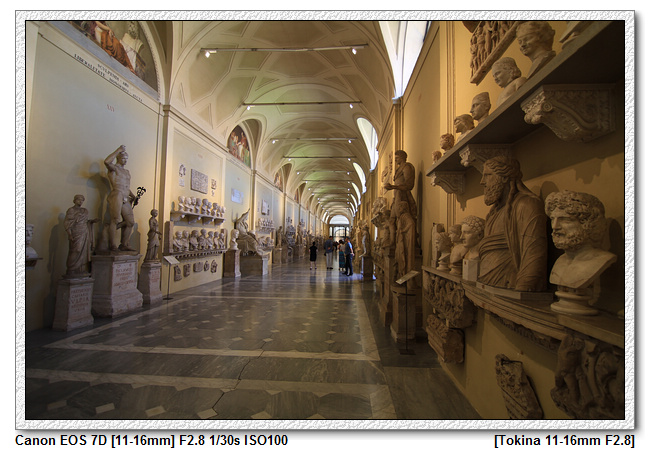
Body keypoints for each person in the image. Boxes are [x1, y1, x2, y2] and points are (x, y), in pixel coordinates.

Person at [478, 156, 547, 291]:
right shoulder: (493, 214)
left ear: (504, 177)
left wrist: (522, 290)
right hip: (487, 287)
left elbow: (533, 256)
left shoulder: (527, 205)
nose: (482, 182)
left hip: (510, 288)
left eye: (487, 175)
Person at [104, 145, 136, 251]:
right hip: (117, 194)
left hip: (126, 196)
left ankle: (124, 244)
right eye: (123, 158)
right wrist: (118, 150)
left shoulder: (127, 172)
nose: (125, 161)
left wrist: (133, 196)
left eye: (126, 159)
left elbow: (127, 187)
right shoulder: (114, 169)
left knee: (130, 222)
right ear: (118, 158)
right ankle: (112, 244)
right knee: (115, 219)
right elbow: (106, 162)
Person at [64, 194, 98, 276]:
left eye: (82, 200)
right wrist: (69, 234)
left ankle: (80, 269)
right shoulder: (71, 210)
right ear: (74, 200)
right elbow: (67, 223)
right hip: (76, 232)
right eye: (79, 199)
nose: (80, 201)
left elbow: (86, 221)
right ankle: (71, 269)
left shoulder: (84, 210)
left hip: (84, 232)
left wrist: (92, 221)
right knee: (76, 249)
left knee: (84, 251)